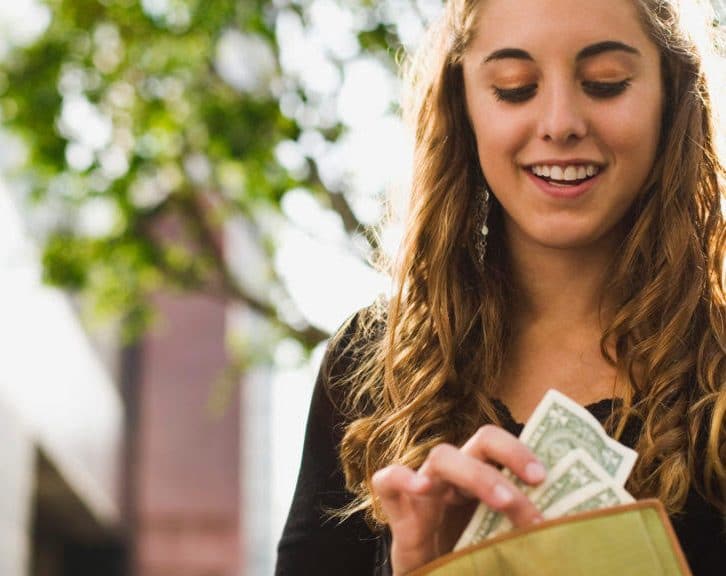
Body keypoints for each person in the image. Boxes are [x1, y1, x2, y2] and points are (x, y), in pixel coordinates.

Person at [276, 0, 726, 574]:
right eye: (515, 87)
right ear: (463, 104)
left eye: (605, 83)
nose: (560, 122)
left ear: (673, 96)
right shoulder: (369, 366)